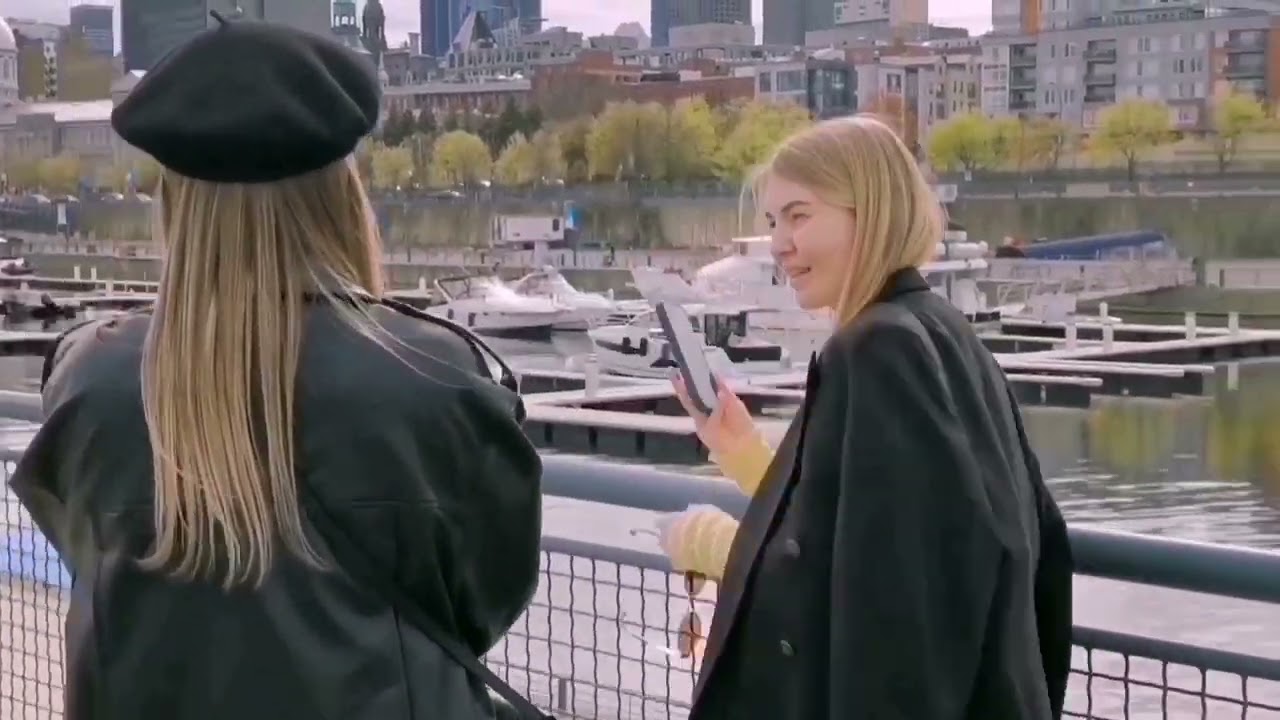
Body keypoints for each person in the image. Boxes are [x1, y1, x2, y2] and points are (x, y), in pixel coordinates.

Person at [8, 15, 542, 720]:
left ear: (176, 205)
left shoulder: (90, 382)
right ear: (342, 199)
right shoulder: (435, 376)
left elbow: (82, 548)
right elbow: (485, 599)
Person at [657, 115, 1073, 720]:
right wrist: (740, 448)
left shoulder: (876, 350)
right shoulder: (942, 330)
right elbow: (899, 529)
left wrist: (728, 548)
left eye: (799, 216)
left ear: (870, 212)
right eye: (773, 221)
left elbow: (887, 607)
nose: (778, 243)